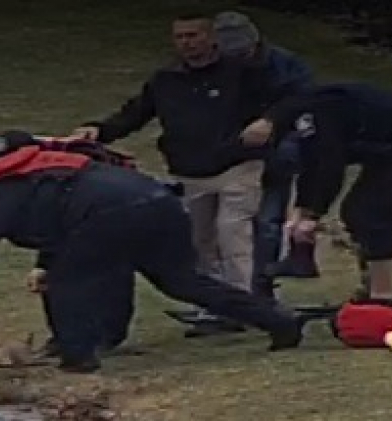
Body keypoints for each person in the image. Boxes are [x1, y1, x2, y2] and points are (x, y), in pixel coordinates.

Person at [0, 146, 304, 373]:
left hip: (113, 215)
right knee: (184, 282)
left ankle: (78, 354)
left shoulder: (7, 192)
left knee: (69, 280)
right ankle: (277, 320)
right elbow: (52, 220)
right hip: (158, 203)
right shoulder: (36, 177)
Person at [70, 14, 301, 337]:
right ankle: (217, 307)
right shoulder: (166, 79)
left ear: (211, 37)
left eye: (193, 35)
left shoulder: (244, 72)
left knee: (233, 235)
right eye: (180, 36)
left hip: (239, 165)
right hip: (189, 171)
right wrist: (99, 130)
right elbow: (136, 113)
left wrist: (270, 121)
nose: (186, 43)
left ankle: (252, 307)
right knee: (198, 242)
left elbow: (291, 97)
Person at [0, 130, 138, 359]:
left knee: (103, 276)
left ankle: (105, 339)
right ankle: (67, 341)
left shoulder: (21, 186)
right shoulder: (0, 189)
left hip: (107, 222)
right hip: (71, 229)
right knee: (54, 281)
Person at [241, 82, 392, 298]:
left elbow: (329, 162)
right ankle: (365, 284)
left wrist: (313, 214)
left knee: (369, 214)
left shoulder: (316, 113)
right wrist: (302, 209)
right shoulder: (301, 111)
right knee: (356, 213)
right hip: (382, 149)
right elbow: (312, 164)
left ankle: (383, 293)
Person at [213, 11, 319, 286]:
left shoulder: (284, 66)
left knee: (267, 222)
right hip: (229, 155)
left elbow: (306, 97)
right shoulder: (216, 68)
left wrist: (271, 120)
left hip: (275, 151)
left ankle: (262, 286)